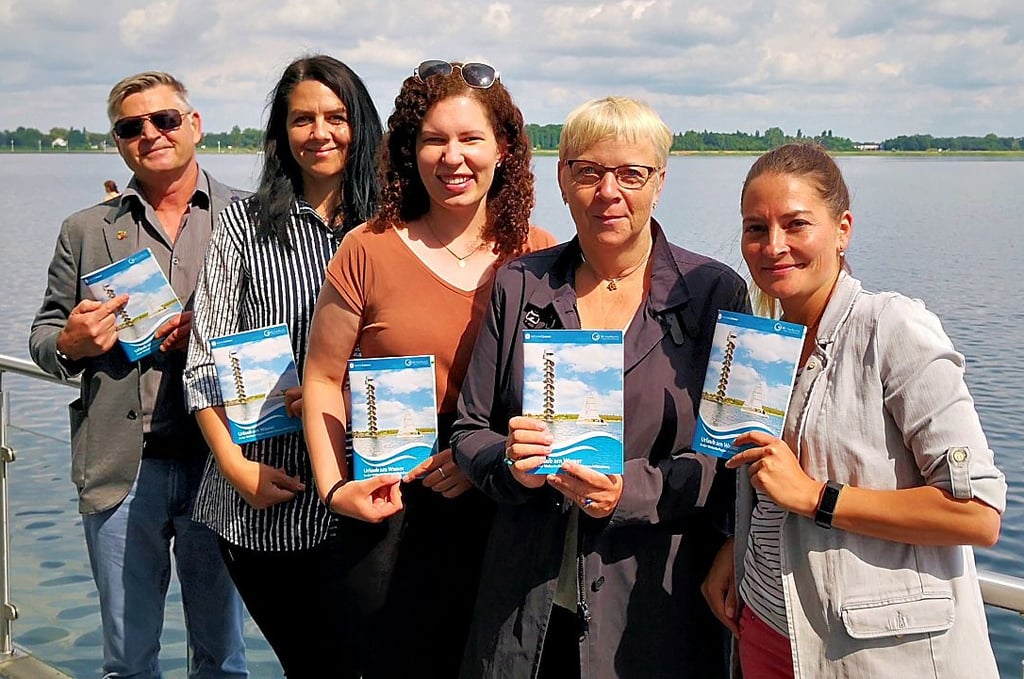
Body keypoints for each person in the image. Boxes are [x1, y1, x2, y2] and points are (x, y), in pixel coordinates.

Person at [450, 96, 749, 679]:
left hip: (650, 610)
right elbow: (468, 430)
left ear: (660, 182)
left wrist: (629, 492)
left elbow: (733, 456)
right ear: (563, 179)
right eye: (589, 171)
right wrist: (510, 464)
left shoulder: (715, 294)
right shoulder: (520, 286)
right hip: (526, 607)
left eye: (631, 173)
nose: (608, 191)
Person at [701, 143, 1006, 678]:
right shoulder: (762, 343)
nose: (774, 246)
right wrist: (739, 544)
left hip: (871, 654)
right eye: (756, 228)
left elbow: (976, 513)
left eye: (796, 225)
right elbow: (769, 480)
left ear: (843, 229)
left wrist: (818, 498)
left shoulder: (893, 329)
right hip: (766, 631)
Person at [302, 59, 556, 678]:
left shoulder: (542, 255)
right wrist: (336, 489)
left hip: (503, 515)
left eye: (471, 138)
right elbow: (320, 380)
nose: (453, 157)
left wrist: (481, 462)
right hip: (389, 512)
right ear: (409, 150)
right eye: (434, 139)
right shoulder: (369, 246)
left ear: (504, 150)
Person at [29, 72, 247, 678]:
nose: (150, 134)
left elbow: (282, 331)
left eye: (165, 120)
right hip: (123, 471)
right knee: (127, 661)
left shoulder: (251, 218)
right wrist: (71, 343)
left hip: (222, 465)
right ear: (119, 142)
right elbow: (44, 336)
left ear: (195, 125)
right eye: (132, 127)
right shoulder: (84, 229)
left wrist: (210, 336)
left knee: (224, 658)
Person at [183, 55, 385, 677]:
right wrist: (235, 466)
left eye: (336, 116)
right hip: (261, 502)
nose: (320, 132)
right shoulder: (243, 223)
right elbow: (203, 362)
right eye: (303, 119)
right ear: (280, 134)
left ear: (362, 126)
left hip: (369, 491)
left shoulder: (390, 228)